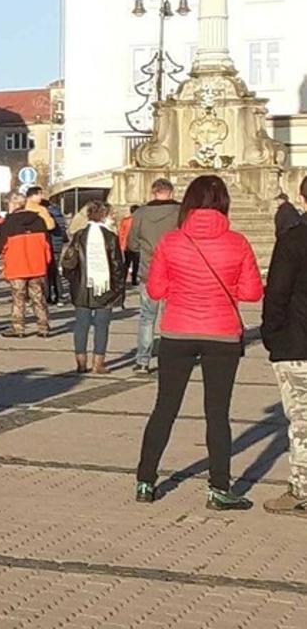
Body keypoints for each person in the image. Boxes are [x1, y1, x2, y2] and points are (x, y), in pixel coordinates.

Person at [135, 174, 263, 507]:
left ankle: (146, 482)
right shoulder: (237, 242)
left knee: (165, 408)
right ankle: (219, 488)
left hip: (177, 331)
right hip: (221, 334)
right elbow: (252, 292)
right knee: (217, 413)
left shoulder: (171, 241)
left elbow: (156, 290)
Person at [262, 190, 307, 514]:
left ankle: (301, 488)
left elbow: (277, 293)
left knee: (303, 421)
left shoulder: (293, 240)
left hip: (297, 343)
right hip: (296, 340)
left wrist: (272, 336)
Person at [60, 199, 126, 372]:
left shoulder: (79, 235)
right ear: (104, 215)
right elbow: (118, 266)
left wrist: (73, 281)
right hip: (104, 287)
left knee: (81, 324)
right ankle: (98, 363)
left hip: (82, 287)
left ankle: (81, 362)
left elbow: (68, 263)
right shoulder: (111, 237)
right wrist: (119, 289)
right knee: (102, 326)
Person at [127, 178, 183, 372]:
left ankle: (142, 360)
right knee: (171, 317)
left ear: (153, 192)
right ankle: (172, 359)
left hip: (149, 271)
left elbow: (132, 242)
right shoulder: (180, 212)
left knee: (147, 317)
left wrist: (144, 249)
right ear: (171, 192)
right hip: (175, 270)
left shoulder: (141, 213)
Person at [0, 193, 53, 339]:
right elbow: (47, 245)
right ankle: (43, 326)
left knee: (18, 298)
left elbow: (0, 247)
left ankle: (18, 328)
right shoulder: (39, 221)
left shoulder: (8, 223)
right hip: (37, 265)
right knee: (38, 297)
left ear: (13, 205)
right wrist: (45, 261)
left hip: (17, 265)